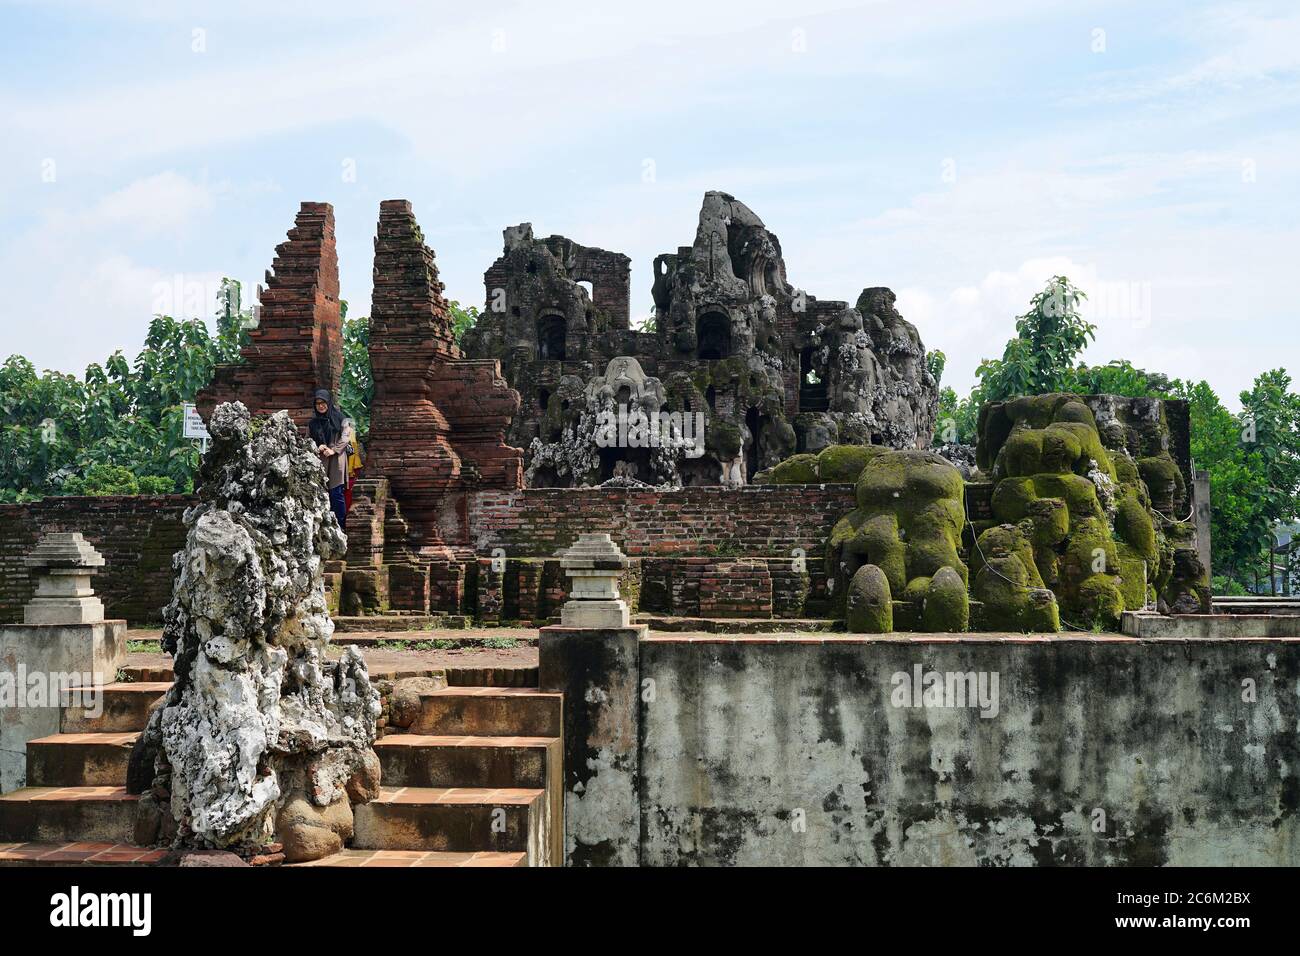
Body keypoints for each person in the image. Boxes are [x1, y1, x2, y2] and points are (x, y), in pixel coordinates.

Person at [309, 389, 350, 531]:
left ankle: (340, 525)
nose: (320, 406)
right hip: (321, 459)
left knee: (336, 492)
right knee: (322, 493)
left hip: (337, 459)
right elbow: (308, 440)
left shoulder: (340, 417)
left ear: (328, 402)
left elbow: (346, 437)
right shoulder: (313, 422)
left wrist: (334, 449)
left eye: (323, 402)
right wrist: (318, 446)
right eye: (317, 403)